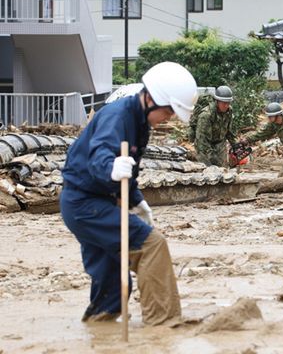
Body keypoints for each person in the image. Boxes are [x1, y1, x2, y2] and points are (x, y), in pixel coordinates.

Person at [60, 62, 197, 325]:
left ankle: (99, 328)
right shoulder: (118, 116)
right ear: (151, 99)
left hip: (93, 203)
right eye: (168, 111)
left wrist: (137, 201)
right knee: (152, 245)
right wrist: (110, 168)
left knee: (111, 280)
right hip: (85, 204)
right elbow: (100, 154)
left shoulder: (140, 122)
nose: (168, 117)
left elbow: (129, 171)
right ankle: (163, 324)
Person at [193, 86, 236, 167]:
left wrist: (235, 146)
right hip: (204, 148)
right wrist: (213, 158)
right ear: (217, 101)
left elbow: (229, 131)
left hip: (220, 144)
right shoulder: (206, 115)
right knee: (207, 172)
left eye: (228, 103)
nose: (226, 105)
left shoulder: (228, 111)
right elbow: (202, 141)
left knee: (223, 172)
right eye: (224, 103)